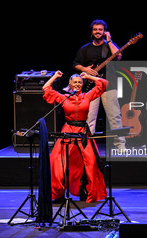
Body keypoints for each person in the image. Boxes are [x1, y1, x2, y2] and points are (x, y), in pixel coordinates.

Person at [42, 70, 107, 203]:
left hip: (83, 132)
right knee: (57, 161)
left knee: (90, 162)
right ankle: (58, 193)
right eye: (75, 82)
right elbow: (46, 88)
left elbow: (103, 83)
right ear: (70, 85)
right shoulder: (64, 97)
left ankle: (86, 191)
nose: (77, 84)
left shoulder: (87, 96)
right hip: (68, 130)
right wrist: (55, 76)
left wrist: (88, 76)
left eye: (79, 82)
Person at [73, 19, 126, 150]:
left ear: (105, 31)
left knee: (115, 117)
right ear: (92, 31)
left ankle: (120, 146)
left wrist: (109, 40)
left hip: (109, 85)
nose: (98, 32)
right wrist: (85, 70)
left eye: (100, 30)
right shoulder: (85, 48)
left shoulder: (109, 46)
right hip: (91, 87)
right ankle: (87, 146)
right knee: (89, 118)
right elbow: (76, 64)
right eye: (95, 29)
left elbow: (118, 56)